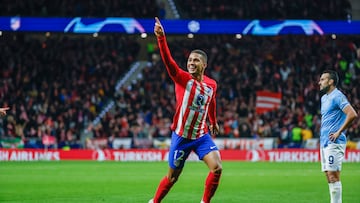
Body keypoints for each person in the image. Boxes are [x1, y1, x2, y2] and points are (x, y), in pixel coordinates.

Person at [149, 17, 222, 203]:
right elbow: (169, 62)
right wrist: (161, 38)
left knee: (217, 168)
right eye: (189, 59)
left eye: (195, 60)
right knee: (172, 178)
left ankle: (205, 202)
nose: (191, 63)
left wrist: (213, 121)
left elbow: (211, 103)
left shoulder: (212, 85)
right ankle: (154, 202)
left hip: (201, 136)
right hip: (181, 137)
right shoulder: (182, 79)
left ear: (204, 65)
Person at [318, 70, 358, 203]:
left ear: (331, 82)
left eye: (323, 79)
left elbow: (352, 114)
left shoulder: (337, 96)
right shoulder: (324, 98)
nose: (320, 82)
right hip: (325, 142)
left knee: (333, 176)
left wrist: (339, 131)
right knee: (329, 176)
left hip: (334, 142)